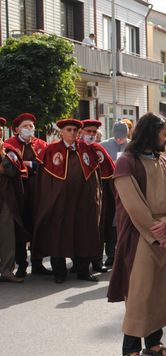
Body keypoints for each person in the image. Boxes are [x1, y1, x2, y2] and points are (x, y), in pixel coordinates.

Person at [107, 112, 166, 356]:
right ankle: (130, 348)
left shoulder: (162, 161)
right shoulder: (126, 162)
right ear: (149, 134)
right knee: (141, 291)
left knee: (160, 291)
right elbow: (134, 207)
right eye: (163, 134)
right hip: (140, 236)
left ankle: (153, 342)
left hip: (163, 233)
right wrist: (158, 232)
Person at [32, 119, 102, 283]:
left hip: (83, 201)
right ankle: (59, 272)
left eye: (75, 130)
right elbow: (44, 180)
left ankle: (83, 271)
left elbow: (94, 175)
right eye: (69, 130)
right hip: (61, 202)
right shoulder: (51, 150)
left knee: (84, 233)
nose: (72, 133)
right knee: (59, 235)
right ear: (61, 132)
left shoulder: (86, 149)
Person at [5, 113, 49, 277]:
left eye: (31, 126)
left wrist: (28, 164)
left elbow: (47, 164)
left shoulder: (42, 144)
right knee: (20, 226)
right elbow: (11, 166)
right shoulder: (10, 144)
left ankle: (38, 263)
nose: (29, 129)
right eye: (25, 126)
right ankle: (22, 264)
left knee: (38, 225)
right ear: (17, 129)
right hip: (18, 191)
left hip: (38, 191)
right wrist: (30, 165)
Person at [80, 119, 115, 274]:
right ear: (81, 132)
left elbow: (110, 171)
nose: (92, 135)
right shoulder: (76, 149)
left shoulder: (98, 149)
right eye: (89, 131)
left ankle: (97, 261)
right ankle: (79, 264)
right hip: (79, 196)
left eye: (94, 132)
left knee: (99, 230)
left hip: (99, 196)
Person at [100, 121, 129, 267]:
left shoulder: (132, 146)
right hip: (109, 188)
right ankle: (110, 254)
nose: (119, 140)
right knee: (111, 222)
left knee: (124, 222)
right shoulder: (104, 146)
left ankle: (125, 253)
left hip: (127, 188)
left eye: (122, 137)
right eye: (117, 137)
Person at [0, 134, 26, 283]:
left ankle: (7, 271)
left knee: (7, 235)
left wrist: (2, 155)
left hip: (6, 199)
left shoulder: (9, 151)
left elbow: (11, 171)